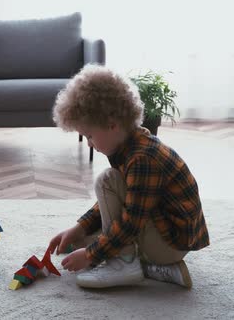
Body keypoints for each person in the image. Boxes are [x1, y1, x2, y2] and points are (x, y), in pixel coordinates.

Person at [48, 65, 209, 289]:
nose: (89, 143)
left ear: (112, 125)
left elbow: (130, 223)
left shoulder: (143, 158)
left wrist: (92, 255)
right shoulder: (128, 144)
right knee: (80, 241)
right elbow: (121, 202)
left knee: (106, 182)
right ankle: (157, 269)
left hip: (169, 243)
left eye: (90, 136)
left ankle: (125, 264)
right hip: (160, 229)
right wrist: (80, 228)